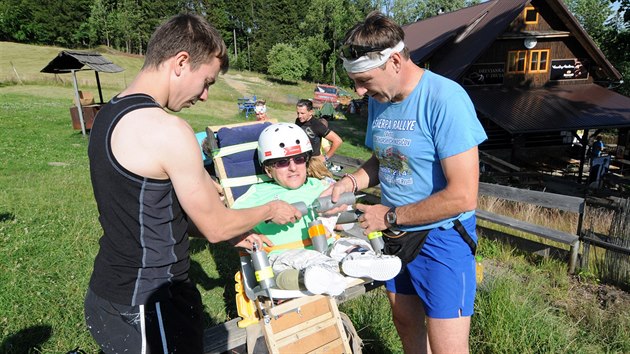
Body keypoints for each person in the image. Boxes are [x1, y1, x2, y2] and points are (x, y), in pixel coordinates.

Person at [84, 14, 301, 354]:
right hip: (151, 302)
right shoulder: (167, 129)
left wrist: (234, 232)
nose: (204, 96)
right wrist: (271, 208)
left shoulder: (108, 116)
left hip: (111, 293)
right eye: (207, 81)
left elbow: (150, 216)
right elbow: (216, 227)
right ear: (181, 62)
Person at [327, 11, 488, 354]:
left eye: (365, 80)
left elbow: (463, 196)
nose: (359, 90)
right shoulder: (379, 99)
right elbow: (383, 158)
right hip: (397, 234)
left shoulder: (446, 99)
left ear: (395, 61)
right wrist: (351, 181)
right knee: (404, 322)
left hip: (442, 238)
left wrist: (387, 216)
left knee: (448, 347)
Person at [232, 123, 401, 296]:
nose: (293, 167)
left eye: (299, 159)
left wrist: (337, 214)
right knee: (306, 263)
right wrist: (252, 227)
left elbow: (344, 223)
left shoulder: (320, 186)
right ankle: (321, 275)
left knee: (349, 245)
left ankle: (363, 260)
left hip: (326, 245)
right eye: (282, 162)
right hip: (284, 254)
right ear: (268, 169)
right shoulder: (258, 194)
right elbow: (229, 219)